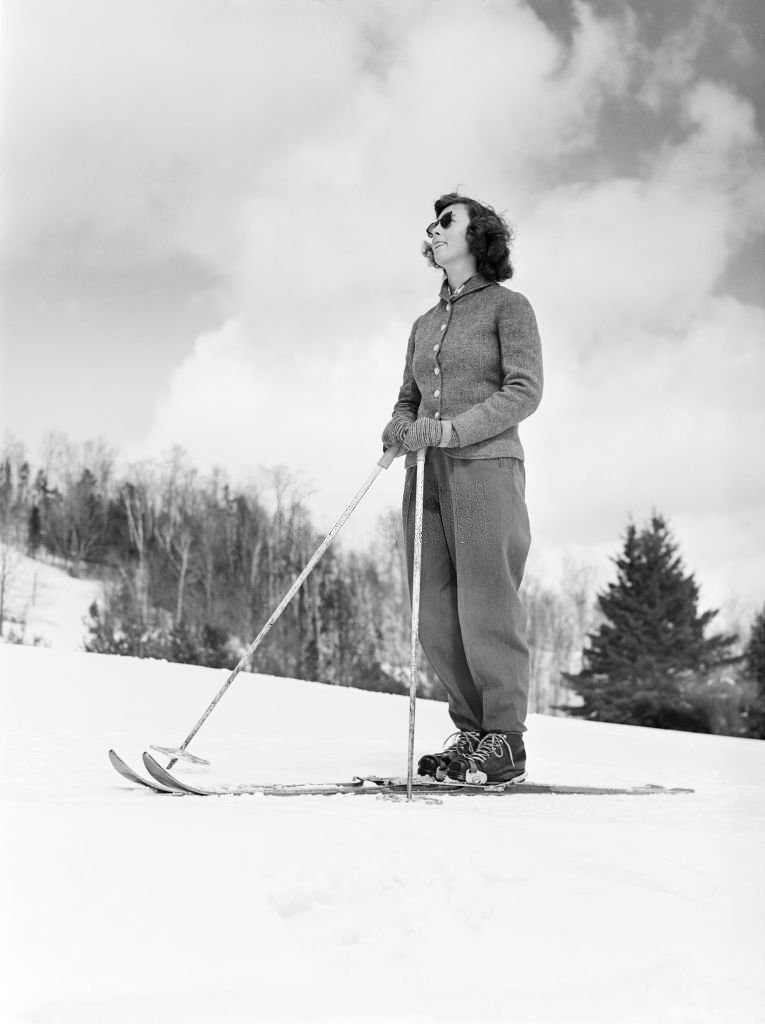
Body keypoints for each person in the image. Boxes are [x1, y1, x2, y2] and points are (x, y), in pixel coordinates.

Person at [381, 193, 543, 785]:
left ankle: (503, 739)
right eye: (433, 222)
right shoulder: (424, 324)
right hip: (425, 474)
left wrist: (454, 429)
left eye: (448, 221)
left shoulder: (510, 308)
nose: (435, 228)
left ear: (480, 237)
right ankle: (472, 733)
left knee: (486, 602)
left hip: (486, 468)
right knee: (432, 608)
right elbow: (408, 395)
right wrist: (400, 426)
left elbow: (524, 390)